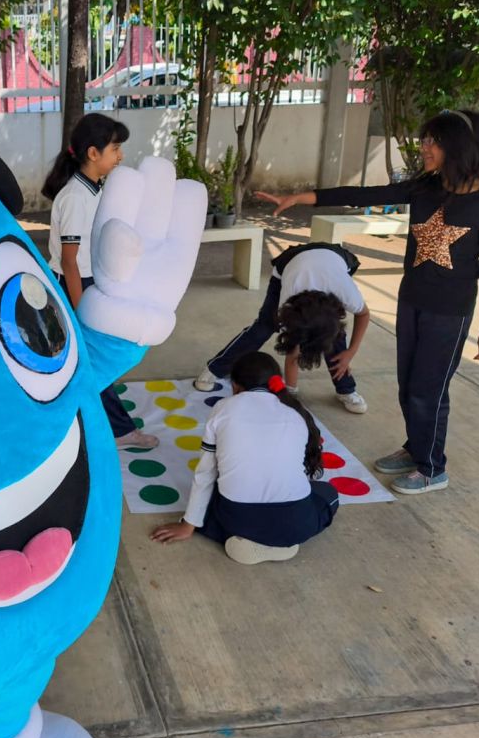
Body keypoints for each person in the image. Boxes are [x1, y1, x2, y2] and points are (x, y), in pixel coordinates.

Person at [255, 109, 479, 495]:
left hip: (450, 311)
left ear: (459, 146)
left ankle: (432, 468)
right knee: (408, 386)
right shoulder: (427, 187)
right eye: (425, 140)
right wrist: (302, 197)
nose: (424, 148)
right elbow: (364, 195)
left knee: (428, 390)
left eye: (433, 142)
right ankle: (415, 448)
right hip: (412, 301)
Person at [150, 351, 338, 564]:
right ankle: (279, 543)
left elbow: (205, 473)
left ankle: (243, 539)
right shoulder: (295, 414)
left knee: (213, 499)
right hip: (296, 525)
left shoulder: (223, 408)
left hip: (240, 519)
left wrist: (188, 524)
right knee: (328, 493)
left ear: (235, 386)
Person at [42, 113, 158, 449]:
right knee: (91, 361)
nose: (120, 155)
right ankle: (117, 430)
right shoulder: (75, 197)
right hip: (73, 286)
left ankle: (102, 425)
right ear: (93, 153)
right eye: (115, 148)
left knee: (91, 362)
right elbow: (69, 260)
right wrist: (82, 310)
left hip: (87, 283)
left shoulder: (94, 189)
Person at [193, 241, 371, 414]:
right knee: (263, 327)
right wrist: (290, 394)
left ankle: (346, 389)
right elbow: (293, 354)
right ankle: (214, 369)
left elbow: (363, 315)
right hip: (290, 263)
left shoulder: (346, 293)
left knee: (330, 333)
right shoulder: (288, 303)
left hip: (333, 260)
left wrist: (351, 352)